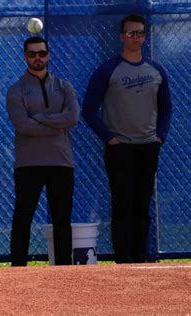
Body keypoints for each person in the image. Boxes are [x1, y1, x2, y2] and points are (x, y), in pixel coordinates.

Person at [83, 15, 172, 264]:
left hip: (147, 147)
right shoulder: (108, 70)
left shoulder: (156, 71)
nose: (135, 38)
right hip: (120, 148)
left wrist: (160, 136)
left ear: (145, 37)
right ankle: (123, 260)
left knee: (142, 206)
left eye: (140, 33)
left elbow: (166, 108)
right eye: (130, 33)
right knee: (122, 204)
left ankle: (141, 258)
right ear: (122, 36)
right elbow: (89, 109)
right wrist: (109, 138)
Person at [7, 36, 79, 266]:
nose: (37, 58)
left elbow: (73, 117)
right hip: (28, 163)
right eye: (32, 54)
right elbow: (22, 125)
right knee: (22, 218)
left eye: (41, 53)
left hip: (61, 161)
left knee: (62, 219)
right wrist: (56, 126)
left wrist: (39, 118)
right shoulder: (16, 90)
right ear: (25, 56)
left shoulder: (63, 86)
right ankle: (18, 268)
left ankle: (64, 269)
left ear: (48, 55)